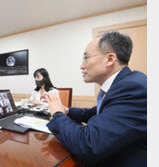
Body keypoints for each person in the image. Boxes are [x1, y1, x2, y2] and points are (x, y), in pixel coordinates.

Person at [45, 31, 147, 167]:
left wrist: (57, 114)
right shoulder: (124, 83)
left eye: (86, 58)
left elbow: (87, 145)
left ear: (110, 59)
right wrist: (67, 110)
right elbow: (97, 112)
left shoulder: (133, 88)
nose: (82, 66)